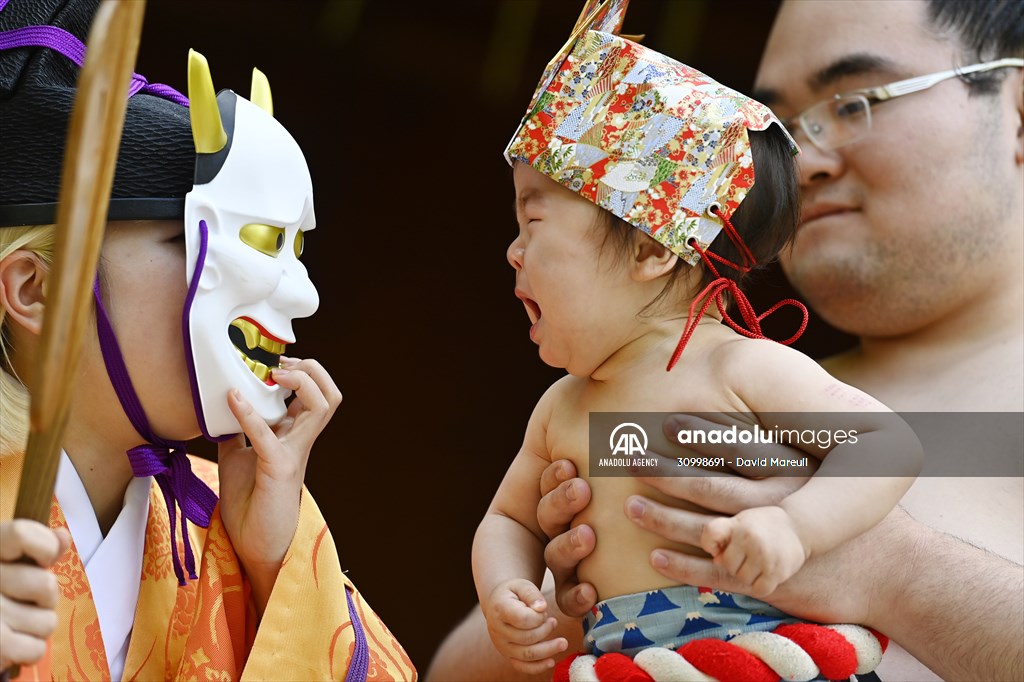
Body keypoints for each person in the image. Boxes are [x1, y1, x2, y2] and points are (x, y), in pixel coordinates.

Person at [429, 0, 1023, 680]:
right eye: (784, 129)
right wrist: (562, 609)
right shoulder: (606, 398)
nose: (806, 162)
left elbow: (884, 451)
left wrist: (883, 567)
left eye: (857, 100)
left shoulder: (754, 374)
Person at [0, 0, 415, 679]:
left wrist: (267, 567)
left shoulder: (233, 524)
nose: (290, 294)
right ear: (37, 289)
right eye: (185, 244)